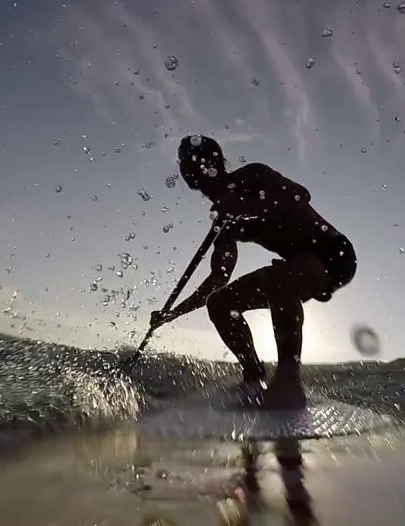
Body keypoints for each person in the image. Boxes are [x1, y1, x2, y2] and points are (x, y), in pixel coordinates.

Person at [148, 135, 356, 409]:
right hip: (295, 267)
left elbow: (300, 193)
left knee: (278, 278)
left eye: (196, 159)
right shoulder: (221, 223)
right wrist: (172, 315)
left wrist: (247, 210)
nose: (189, 166)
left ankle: (288, 381)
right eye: (184, 161)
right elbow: (217, 279)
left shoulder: (252, 175)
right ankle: (253, 376)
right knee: (220, 303)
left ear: (215, 162)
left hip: (333, 254)